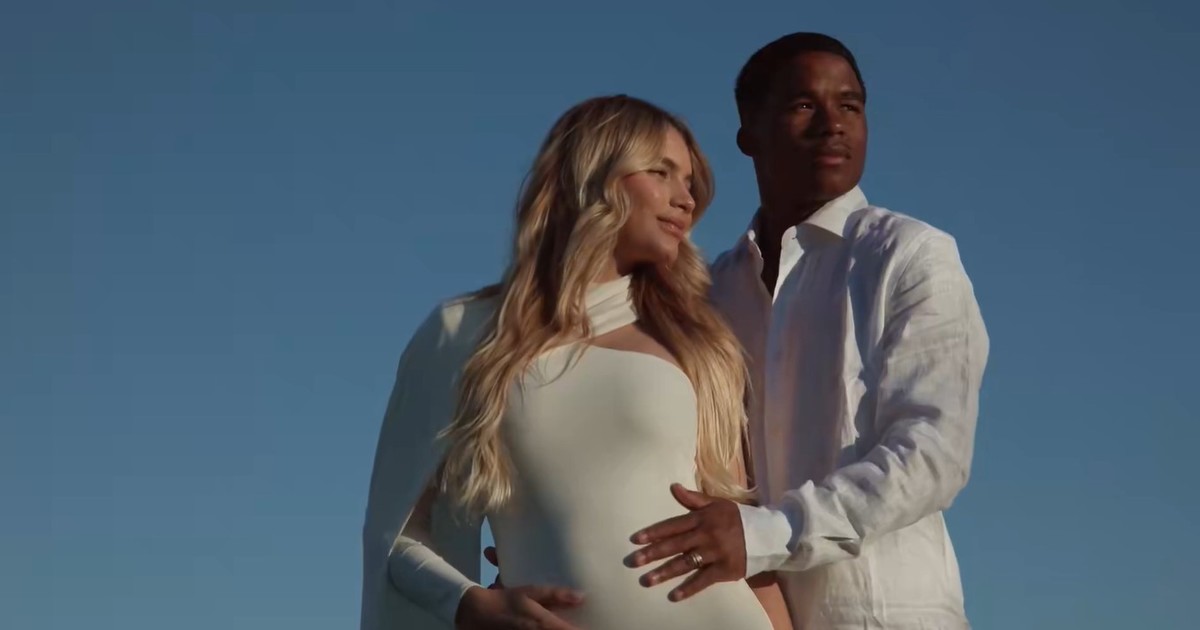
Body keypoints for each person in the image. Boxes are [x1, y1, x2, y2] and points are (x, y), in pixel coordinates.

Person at [360, 95, 793, 630]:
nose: (686, 199)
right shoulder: (466, 333)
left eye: (690, 182)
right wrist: (468, 603)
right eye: (661, 172)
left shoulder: (699, 346)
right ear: (594, 175)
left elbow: (741, 540)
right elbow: (397, 533)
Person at [622, 33, 990, 629]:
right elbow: (661, 450)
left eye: (850, 106)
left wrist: (765, 534)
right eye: (802, 105)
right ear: (749, 131)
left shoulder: (911, 256)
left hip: (884, 616)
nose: (832, 125)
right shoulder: (709, 295)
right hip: (738, 616)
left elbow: (932, 453)